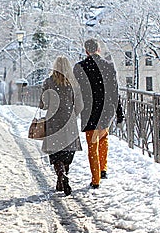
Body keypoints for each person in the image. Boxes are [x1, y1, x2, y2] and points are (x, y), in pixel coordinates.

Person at [73, 39, 119, 189]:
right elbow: (114, 91)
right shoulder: (109, 66)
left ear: (86, 51)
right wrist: (119, 112)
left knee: (92, 145)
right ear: (99, 49)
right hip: (106, 111)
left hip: (89, 111)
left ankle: (96, 179)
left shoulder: (79, 68)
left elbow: (76, 92)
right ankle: (103, 169)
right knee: (103, 138)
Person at [39, 55, 83, 196]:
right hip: (69, 121)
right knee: (67, 151)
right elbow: (80, 105)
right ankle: (64, 175)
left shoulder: (48, 82)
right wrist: (72, 114)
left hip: (53, 121)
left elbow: (43, 105)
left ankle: (60, 176)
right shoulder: (74, 83)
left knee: (56, 152)